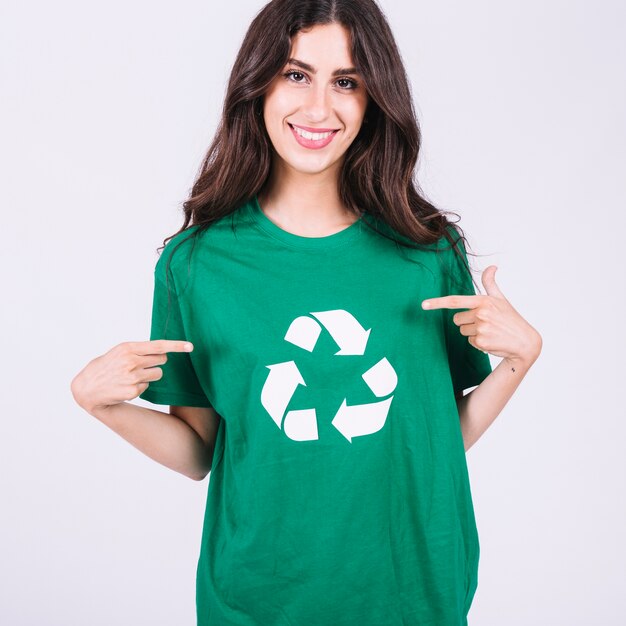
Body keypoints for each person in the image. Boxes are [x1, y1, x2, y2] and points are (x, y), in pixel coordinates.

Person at [70, 1, 542, 624]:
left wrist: (520, 359)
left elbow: (435, 438)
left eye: (346, 81)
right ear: (257, 83)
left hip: (411, 595)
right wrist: (99, 403)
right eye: (296, 75)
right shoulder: (197, 264)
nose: (319, 108)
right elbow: (198, 452)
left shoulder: (426, 252)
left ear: (375, 97)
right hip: (258, 599)